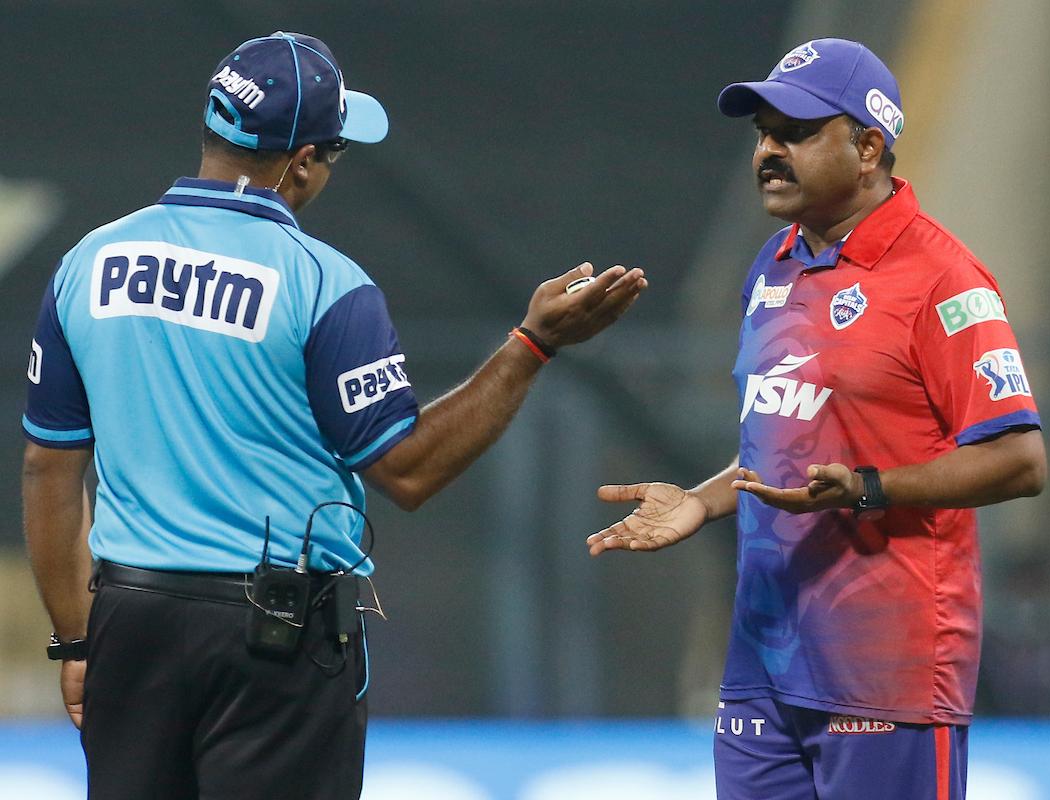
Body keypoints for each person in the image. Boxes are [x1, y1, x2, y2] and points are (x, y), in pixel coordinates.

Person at [22, 31, 646, 800]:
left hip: (131, 620)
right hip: (272, 637)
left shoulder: (89, 260)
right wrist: (532, 345)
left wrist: (77, 640)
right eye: (335, 151)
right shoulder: (324, 283)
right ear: (303, 163)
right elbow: (407, 471)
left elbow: (49, 466)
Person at [587, 38, 1045, 800]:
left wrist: (871, 487)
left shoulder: (945, 279)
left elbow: (1020, 460)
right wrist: (702, 501)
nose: (768, 151)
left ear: (869, 146)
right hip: (762, 665)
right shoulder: (775, 262)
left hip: (886, 671)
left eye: (795, 132)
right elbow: (787, 447)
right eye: (763, 132)